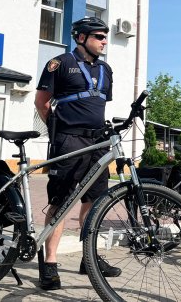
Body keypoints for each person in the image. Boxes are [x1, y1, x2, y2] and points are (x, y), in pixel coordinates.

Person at [33, 17, 119, 291]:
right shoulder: (59, 63)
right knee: (61, 202)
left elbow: (96, 104)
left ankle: (89, 258)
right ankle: (49, 263)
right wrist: (57, 130)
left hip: (97, 144)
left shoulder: (106, 69)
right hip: (69, 141)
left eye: (105, 36)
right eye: (99, 36)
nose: (104, 41)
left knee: (95, 201)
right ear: (81, 37)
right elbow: (41, 102)